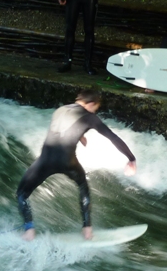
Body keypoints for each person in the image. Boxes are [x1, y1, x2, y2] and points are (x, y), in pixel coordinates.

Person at [16, 88, 137, 241]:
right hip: (68, 162)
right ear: (91, 104)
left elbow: (63, 130)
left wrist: (81, 137)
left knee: (21, 194)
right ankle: (87, 230)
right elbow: (112, 137)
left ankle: (29, 230)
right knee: (83, 186)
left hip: (46, 160)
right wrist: (131, 158)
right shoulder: (90, 117)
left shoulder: (60, 110)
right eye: (95, 109)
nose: (94, 112)